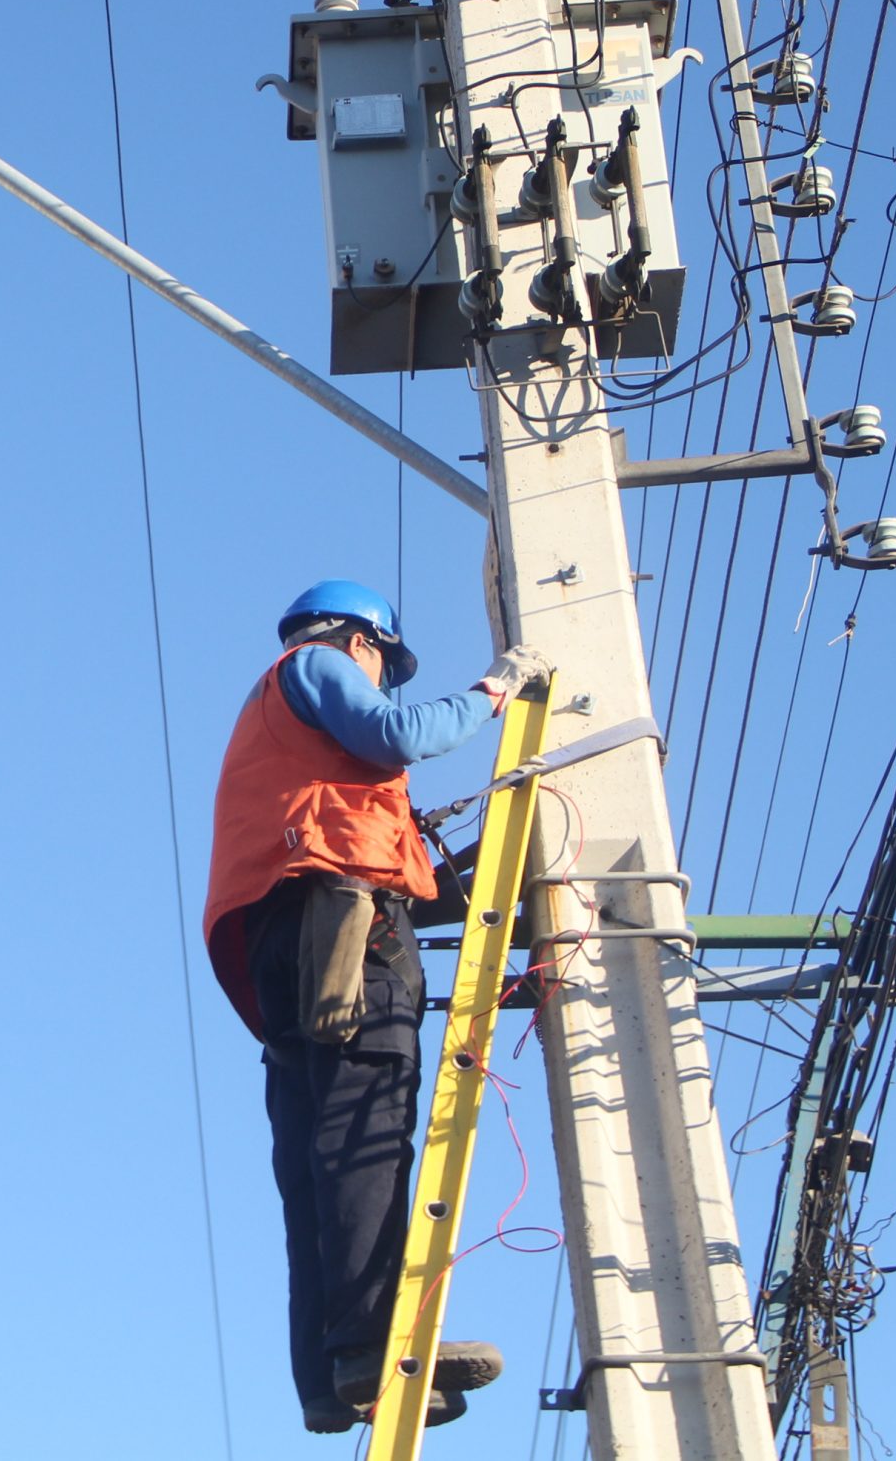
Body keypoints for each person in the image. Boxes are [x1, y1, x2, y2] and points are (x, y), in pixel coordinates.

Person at [202, 580, 547, 1435]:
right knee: (367, 1138)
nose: (381, 678)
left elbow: (384, 862)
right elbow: (398, 733)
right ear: (362, 640)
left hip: (289, 946)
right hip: (346, 937)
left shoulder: (281, 745)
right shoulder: (317, 665)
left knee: (314, 1162)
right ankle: (368, 1346)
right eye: (383, 662)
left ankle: (325, 1376)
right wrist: (496, 686)